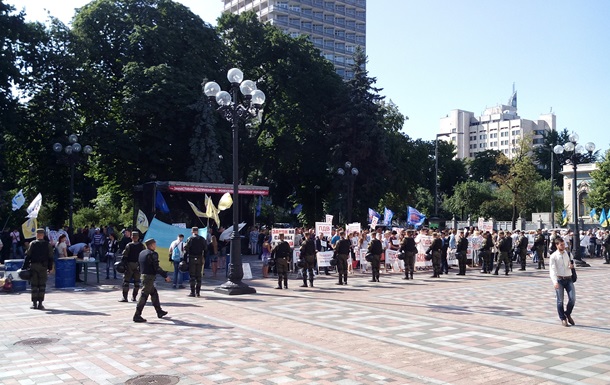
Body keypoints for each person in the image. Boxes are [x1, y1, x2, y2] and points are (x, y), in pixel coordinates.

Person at [133, 238, 171, 323]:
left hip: (143, 276)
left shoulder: (142, 253)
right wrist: (165, 276)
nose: (156, 246)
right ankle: (137, 315)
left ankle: (159, 311)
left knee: (154, 293)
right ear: (151, 245)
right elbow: (156, 267)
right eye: (155, 244)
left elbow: (138, 265)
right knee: (144, 295)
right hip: (149, 277)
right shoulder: (153, 254)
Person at [23, 229, 54, 310]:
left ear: (37, 235)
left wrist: (24, 267)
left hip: (33, 266)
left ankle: (34, 303)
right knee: (42, 285)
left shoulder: (32, 244)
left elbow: (28, 256)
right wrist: (50, 268)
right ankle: (40, 303)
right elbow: (51, 257)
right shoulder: (48, 245)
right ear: (43, 235)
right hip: (44, 267)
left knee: (34, 285)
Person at [549, 237, 576, 327]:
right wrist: (554, 282)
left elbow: (573, 263)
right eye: (561, 244)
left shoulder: (568, 253)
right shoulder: (553, 256)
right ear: (557, 245)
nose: (563, 246)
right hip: (559, 279)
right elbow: (552, 270)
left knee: (572, 299)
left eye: (564, 244)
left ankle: (567, 313)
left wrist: (571, 266)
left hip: (568, 278)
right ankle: (563, 318)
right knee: (560, 301)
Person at [120, 231, 144, 302]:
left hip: (129, 264)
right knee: (137, 282)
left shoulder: (129, 245)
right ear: (138, 237)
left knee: (126, 281)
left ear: (132, 237)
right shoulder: (142, 246)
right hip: (138, 265)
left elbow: (124, 255)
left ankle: (125, 297)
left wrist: (123, 264)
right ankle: (134, 297)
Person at [185, 227, 207, 297]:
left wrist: (185, 259)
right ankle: (198, 292)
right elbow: (206, 249)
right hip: (200, 258)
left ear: (192, 231)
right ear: (198, 231)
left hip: (192, 258)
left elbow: (186, 248)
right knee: (199, 276)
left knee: (192, 276)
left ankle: (192, 292)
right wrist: (204, 257)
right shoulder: (202, 239)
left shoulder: (190, 239)